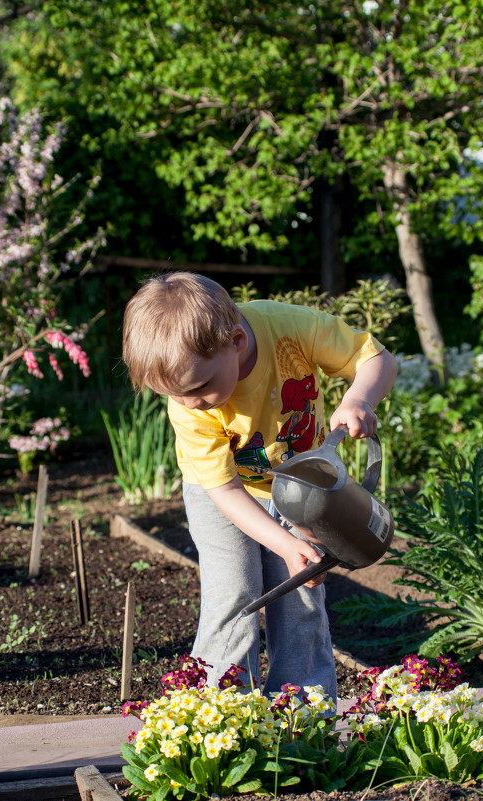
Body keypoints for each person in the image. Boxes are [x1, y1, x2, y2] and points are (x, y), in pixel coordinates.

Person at [122, 271, 398, 701]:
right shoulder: (189, 408)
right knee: (235, 591)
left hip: (303, 489)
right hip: (223, 495)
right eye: (174, 396)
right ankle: (220, 710)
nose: (190, 403)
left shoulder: (289, 329)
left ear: (236, 340)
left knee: (302, 596)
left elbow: (376, 358)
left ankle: (304, 714)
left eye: (199, 387)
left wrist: (358, 399)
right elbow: (225, 491)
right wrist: (285, 545)